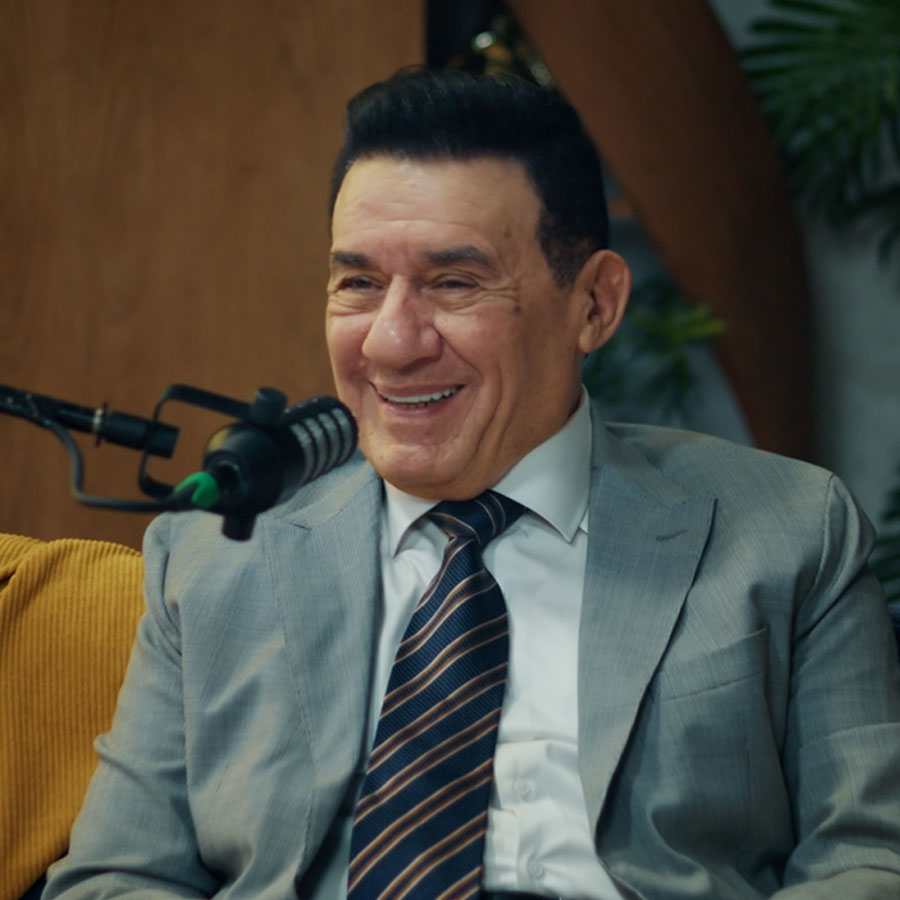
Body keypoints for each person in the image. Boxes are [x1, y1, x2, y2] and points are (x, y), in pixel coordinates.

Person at [44, 68, 900, 900]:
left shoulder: (790, 530)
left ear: (595, 305)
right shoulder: (211, 556)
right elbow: (117, 876)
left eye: (455, 283)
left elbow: (870, 857)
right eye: (358, 284)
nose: (390, 342)